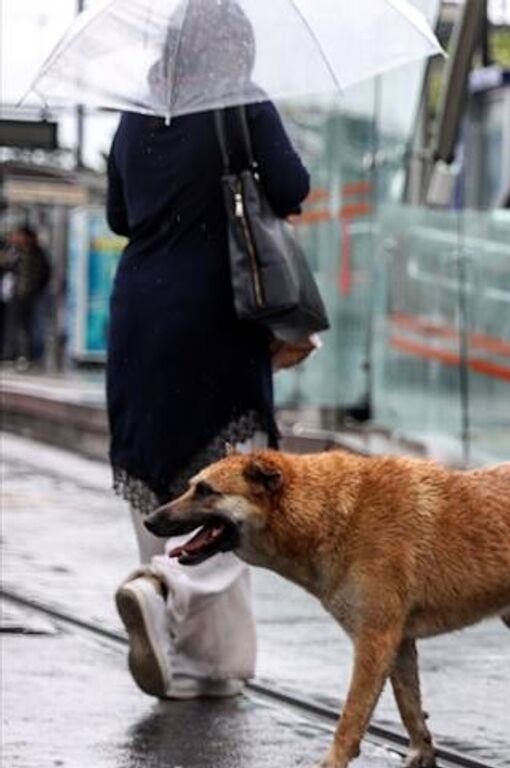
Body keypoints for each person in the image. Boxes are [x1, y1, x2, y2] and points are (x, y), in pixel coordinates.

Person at [104, 0, 313, 701]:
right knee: (233, 490)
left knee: (160, 477)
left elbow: (118, 213)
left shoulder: (140, 109)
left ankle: (199, 665)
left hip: (138, 310)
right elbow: (292, 185)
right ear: (239, 46)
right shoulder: (241, 102)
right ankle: (168, 584)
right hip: (214, 309)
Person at [1, 225, 52, 369]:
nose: (16, 239)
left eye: (19, 235)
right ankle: (11, 354)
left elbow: (45, 273)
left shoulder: (38, 254)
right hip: (15, 295)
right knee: (13, 325)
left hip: (32, 296)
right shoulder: (14, 252)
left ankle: (30, 356)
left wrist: (37, 291)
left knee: (31, 326)